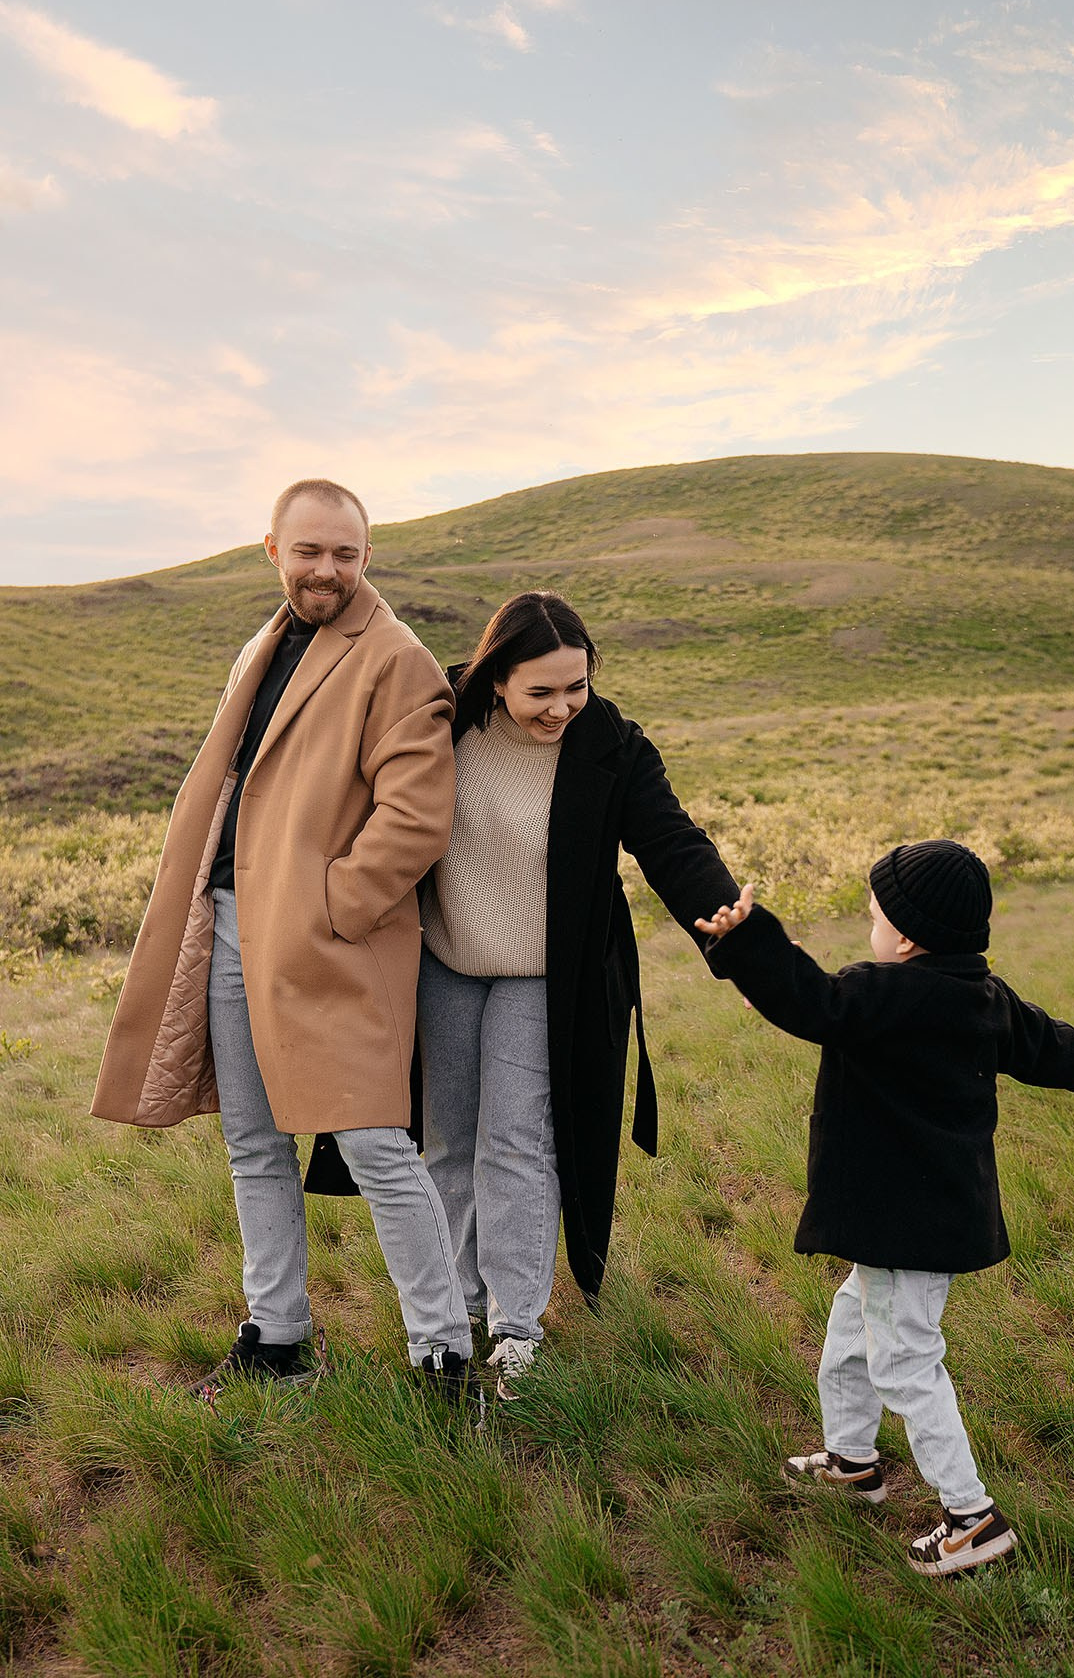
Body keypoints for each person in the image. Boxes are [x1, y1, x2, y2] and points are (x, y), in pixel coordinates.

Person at [91, 479, 474, 1394]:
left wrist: (330, 908)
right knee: (254, 1144)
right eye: (309, 551)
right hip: (228, 926)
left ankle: (443, 1350)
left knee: (376, 1143)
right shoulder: (265, 647)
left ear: (367, 557)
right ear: (274, 550)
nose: (327, 570)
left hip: (324, 941)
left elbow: (416, 819)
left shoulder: (396, 659)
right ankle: (278, 1335)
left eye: (345, 553)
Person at [697, 839, 1074, 1576]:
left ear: (909, 934)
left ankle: (972, 1517)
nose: (870, 928)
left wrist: (747, 940)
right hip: (927, 1218)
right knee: (854, 1329)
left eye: (874, 915)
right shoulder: (986, 996)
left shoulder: (879, 992)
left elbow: (808, 999)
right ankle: (853, 1461)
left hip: (904, 1228)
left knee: (906, 1361)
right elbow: (1047, 1045)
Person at [410, 590, 739, 1398]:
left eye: (576, 687)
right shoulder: (439, 718)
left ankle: (518, 1328)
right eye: (541, 692)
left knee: (516, 1141)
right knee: (448, 1142)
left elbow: (670, 838)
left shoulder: (610, 744)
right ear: (496, 680)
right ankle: (456, 1309)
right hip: (446, 959)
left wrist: (725, 916)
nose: (562, 707)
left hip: (548, 977)